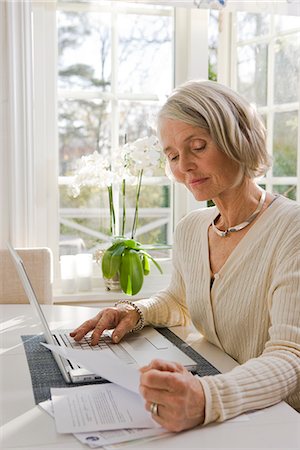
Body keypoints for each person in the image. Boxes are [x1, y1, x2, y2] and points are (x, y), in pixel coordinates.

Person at [70, 80, 300, 431]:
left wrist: (205, 397)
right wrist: (135, 311)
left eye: (198, 146)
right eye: (173, 155)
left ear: (238, 139)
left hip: (278, 420)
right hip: (227, 407)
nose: (185, 166)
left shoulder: (292, 228)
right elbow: (180, 301)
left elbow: (291, 355)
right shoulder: (192, 228)